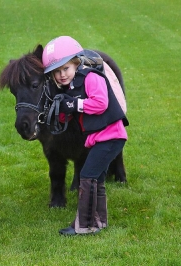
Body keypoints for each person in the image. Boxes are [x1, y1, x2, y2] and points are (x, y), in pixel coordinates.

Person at [42, 36, 129, 235]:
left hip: (110, 136)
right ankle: (99, 222)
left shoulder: (91, 77)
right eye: (57, 71)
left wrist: (74, 104)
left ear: (76, 63)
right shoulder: (71, 87)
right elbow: (70, 112)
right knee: (96, 178)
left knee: (87, 176)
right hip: (101, 139)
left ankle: (84, 225)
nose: (62, 75)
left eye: (66, 68)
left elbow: (101, 103)